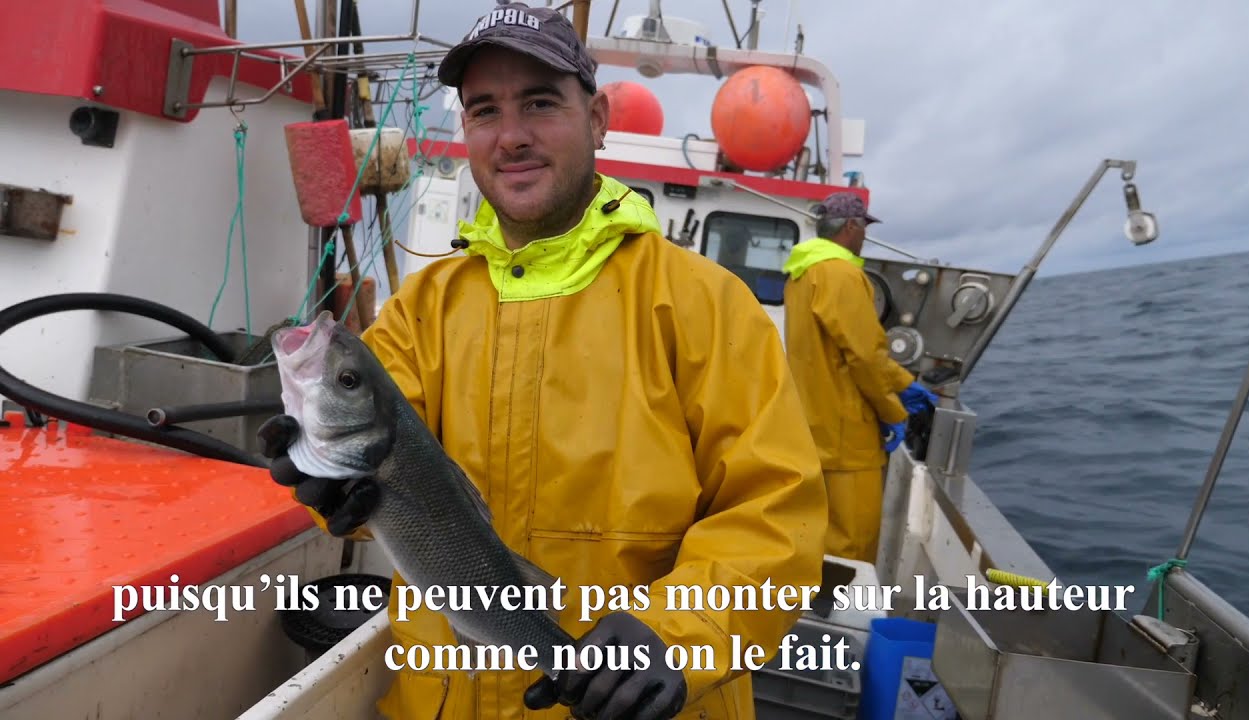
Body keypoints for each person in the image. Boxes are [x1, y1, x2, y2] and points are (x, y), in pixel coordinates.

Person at [259, 3, 828, 719]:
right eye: (485, 109)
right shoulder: (418, 311)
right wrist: (322, 484)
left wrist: (676, 635)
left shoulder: (708, 306)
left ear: (595, 119)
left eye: (539, 102)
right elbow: (381, 485)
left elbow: (776, 517)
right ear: (465, 130)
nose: (512, 135)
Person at [780, 193, 937, 564]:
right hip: (847, 436)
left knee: (817, 531)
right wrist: (896, 411)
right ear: (850, 226)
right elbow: (865, 354)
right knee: (852, 542)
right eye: (863, 226)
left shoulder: (801, 274)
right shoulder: (842, 274)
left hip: (813, 425)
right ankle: (838, 616)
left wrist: (900, 383)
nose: (864, 234)